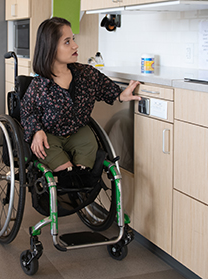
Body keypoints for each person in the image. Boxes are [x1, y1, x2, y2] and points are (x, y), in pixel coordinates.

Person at [20, 17, 140, 186]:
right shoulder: (40, 85)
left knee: (86, 164)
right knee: (64, 169)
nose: (75, 46)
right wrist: (36, 131)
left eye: (73, 39)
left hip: (78, 132)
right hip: (50, 135)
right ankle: (68, 184)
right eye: (67, 42)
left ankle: (81, 183)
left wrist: (120, 95)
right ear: (50, 48)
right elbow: (27, 110)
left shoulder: (87, 74)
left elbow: (104, 88)